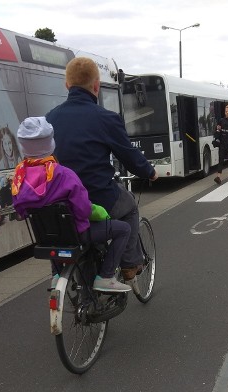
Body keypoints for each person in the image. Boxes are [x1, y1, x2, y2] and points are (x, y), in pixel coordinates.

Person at [45, 57, 157, 285]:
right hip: (98, 198)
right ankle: (129, 264)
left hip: (60, 205)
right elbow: (129, 155)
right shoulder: (106, 118)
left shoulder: (49, 119)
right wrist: (149, 172)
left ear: (67, 86)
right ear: (96, 86)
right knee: (130, 209)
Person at [12, 116, 132, 293]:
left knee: (50, 230)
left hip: (46, 238)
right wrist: (98, 212)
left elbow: (21, 211)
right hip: (78, 234)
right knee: (123, 229)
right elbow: (83, 209)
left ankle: (57, 275)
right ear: (50, 143)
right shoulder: (63, 174)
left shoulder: (20, 178)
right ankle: (106, 277)